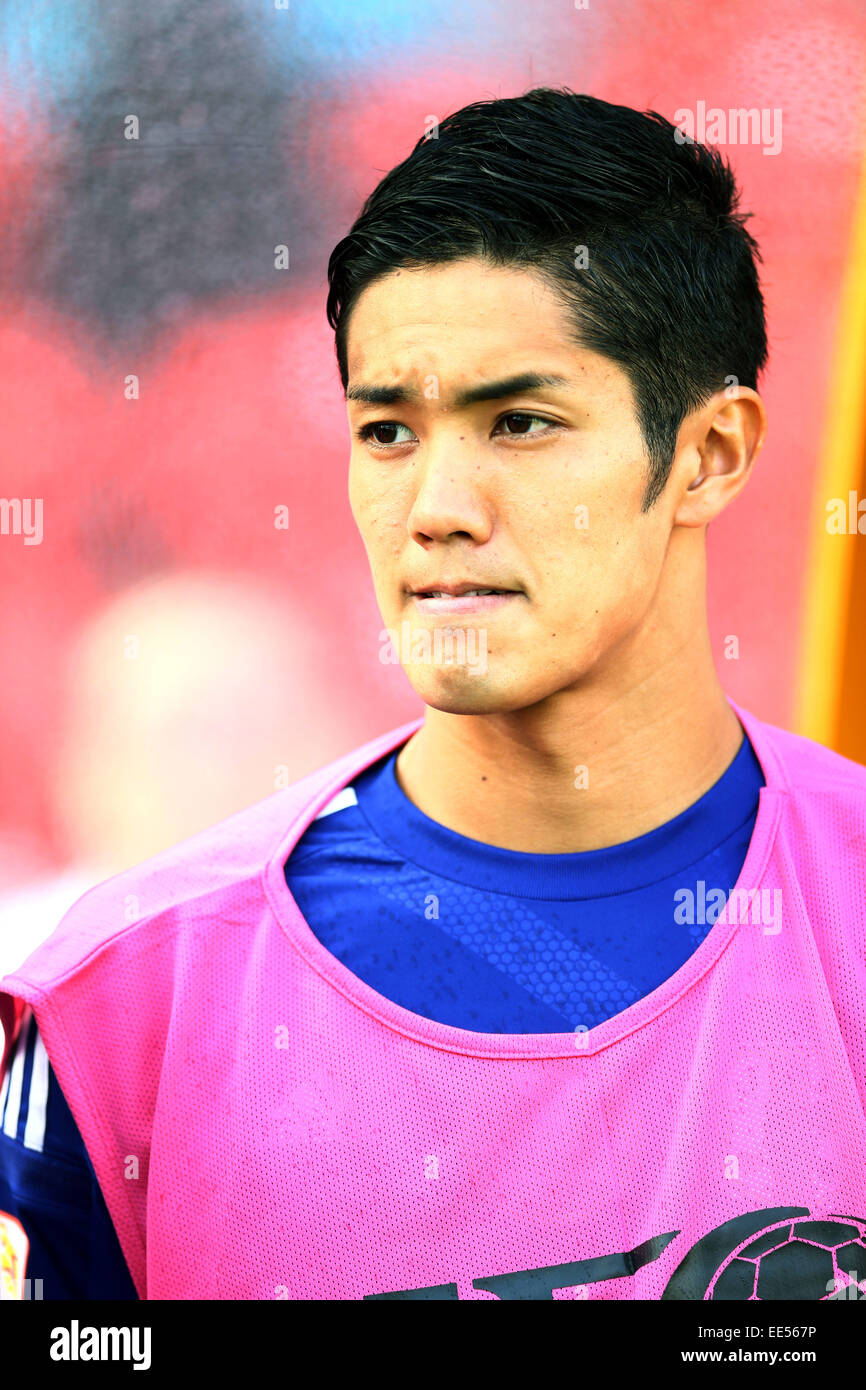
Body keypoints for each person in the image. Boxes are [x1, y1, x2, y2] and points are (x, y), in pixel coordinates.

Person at [2, 88, 865, 1302]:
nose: (436, 508)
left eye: (518, 421)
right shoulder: (128, 999)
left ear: (708, 453)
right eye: (388, 433)